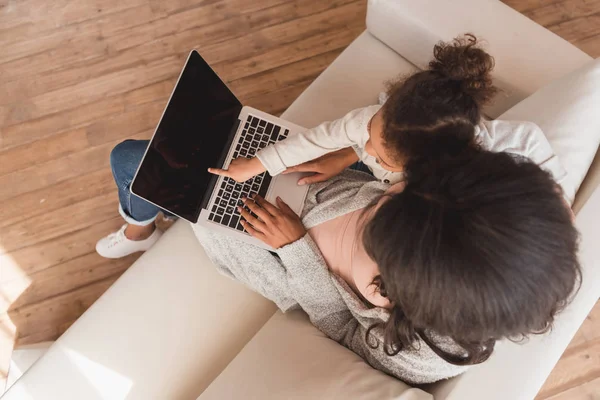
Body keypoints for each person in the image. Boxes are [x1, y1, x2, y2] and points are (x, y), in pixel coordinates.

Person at [193, 149, 580, 384]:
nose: (392, 187)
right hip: (326, 189)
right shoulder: (513, 215)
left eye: (383, 207)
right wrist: (352, 154)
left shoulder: (421, 353)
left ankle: (142, 224)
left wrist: (296, 250)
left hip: (285, 254)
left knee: (154, 168)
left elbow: (341, 327)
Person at [207, 34, 568, 200]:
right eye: (370, 132)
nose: (364, 145)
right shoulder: (373, 122)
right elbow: (320, 138)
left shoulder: (447, 179)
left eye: (377, 155)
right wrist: (257, 164)